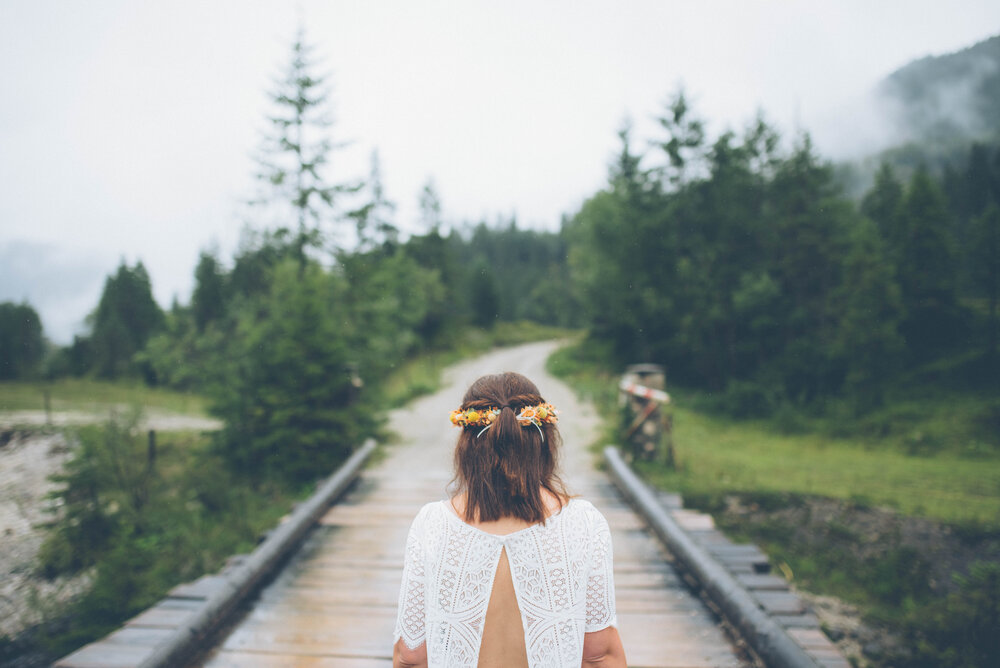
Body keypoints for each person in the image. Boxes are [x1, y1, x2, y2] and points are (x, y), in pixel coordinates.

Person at [392, 372, 626, 668]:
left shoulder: (432, 524)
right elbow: (599, 654)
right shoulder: (584, 523)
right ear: (544, 442)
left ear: (466, 444)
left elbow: (411, 655)